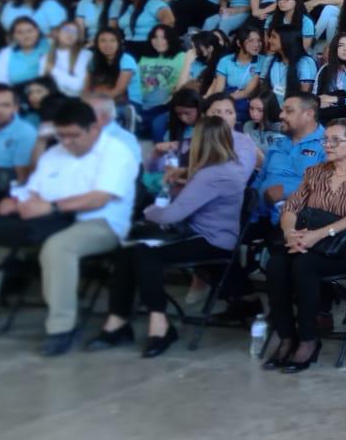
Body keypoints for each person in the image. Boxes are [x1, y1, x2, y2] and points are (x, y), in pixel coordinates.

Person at [0, 98, 138, 355]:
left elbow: (100, 197)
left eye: (73, 135)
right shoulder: (54, 153)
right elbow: (33, 189)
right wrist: (14, 200)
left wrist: (52, 207)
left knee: (58, 247)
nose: (67, 142)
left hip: (98, 223)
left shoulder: (117, 151)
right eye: (61, 135)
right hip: (47, 220)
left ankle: (62, 327)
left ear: (93, 129)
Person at [85, 116, 249, 358]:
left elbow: (171, 215)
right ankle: (117, 319)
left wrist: (148, 212)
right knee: (130, 250)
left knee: (143, 252)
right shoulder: (221, 168)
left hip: (212, 241)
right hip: (201, 234)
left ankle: (158, 323)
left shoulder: (213, 174)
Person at [260, 118, 346, 373]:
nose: (328, 145)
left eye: (335, 140)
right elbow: (291, 208)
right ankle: (287, 337)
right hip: (310, 241)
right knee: (275, 265)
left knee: (304, 266)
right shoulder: (314, 172)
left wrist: (317, 235)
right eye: (325, 139)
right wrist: (289, 233)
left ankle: (308, 339)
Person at [252, 93, 325, 222]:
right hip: (259, 220)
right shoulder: (278, 143)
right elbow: (259, 179)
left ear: (308, 114)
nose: (281, 115)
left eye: (289, 111)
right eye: (282, 110)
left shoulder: (329, 145)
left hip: (299, 227)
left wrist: (286, 191)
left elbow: (330, 189)